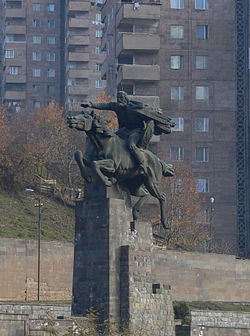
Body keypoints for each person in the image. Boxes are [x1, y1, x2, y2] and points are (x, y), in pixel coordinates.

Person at [81, 91, 155, 174]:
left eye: (121, 98)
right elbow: (105, 105)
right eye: (118, 99)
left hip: (136, 131)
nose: (120, 100)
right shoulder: (117, 106)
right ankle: (93, 157)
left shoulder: (133, 107)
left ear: (126, 99)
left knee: (131, 145)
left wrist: (138, 106)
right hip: (124, 130)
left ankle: (143, 165)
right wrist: (90, 104)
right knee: (109, 138)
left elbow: (145, 110)